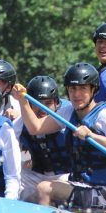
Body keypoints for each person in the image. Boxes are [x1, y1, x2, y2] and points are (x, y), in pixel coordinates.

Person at [14, 62, 106, 209]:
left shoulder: (105, 116)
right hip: (79, 184)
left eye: (83, 88)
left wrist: (92, 136)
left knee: (44, 188)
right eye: (72, 89)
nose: (76, 94)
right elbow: (36, 128)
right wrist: (23, 101)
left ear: (93, 90)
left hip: (102, 191)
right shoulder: (69, 111)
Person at [15, 75, 77, 203]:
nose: (42, 108)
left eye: (48, 103)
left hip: (67, 175)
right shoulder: (21, 122)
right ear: (29, 104)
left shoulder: (68, 115)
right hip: (37, 174)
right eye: (37, 103)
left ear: (56, 103)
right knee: (15, 181)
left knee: (43, 189)